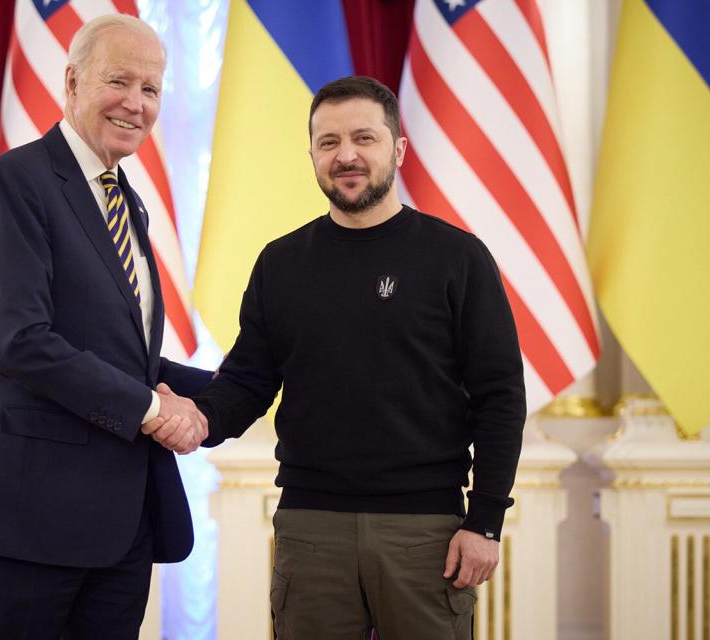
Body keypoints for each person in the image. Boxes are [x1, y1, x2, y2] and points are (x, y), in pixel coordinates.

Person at [183, 75, 525, 639]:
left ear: (398, 148)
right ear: (313, 154)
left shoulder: (457, 258)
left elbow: (501, 398)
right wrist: (194, 417)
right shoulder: (281, 264)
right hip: (310, 531)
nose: (346, 155)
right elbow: (246, 382)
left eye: (364, 138)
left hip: (429, 535)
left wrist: (485, 521)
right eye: (328, 142)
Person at [0, 14, 211, 640]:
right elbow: (23, 343)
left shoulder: (126, 201)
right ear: (71, 81)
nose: (136, 104)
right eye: (119, 81)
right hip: (30, 518)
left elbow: (126, 359)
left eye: (151, 89)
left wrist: (243, 388)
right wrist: (153, 411)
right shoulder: (18, 181)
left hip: (121, 526)